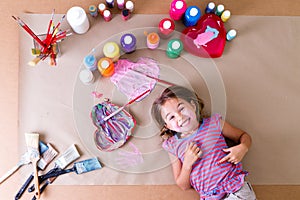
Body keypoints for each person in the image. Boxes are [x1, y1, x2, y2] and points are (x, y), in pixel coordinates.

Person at [151, 86, 256, 199]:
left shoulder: (214, 123)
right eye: (171, 117)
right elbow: (183, 185)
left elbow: (243, 136)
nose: (180, 117)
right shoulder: (172, 145)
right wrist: (187, 164)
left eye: (181, 109)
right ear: (167, 126)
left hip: (235, 189)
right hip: (209, 197)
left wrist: (243, 148)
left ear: (193, 105)